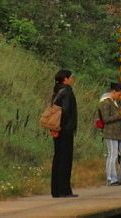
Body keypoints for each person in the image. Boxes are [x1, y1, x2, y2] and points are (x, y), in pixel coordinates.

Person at [98, 82, 121, 186]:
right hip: (110, 132)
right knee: (112, 155)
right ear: (113, 92)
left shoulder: (116, 102)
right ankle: (111, 179)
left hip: (120, 132)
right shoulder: (105, 102)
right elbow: (106, 119)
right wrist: (120, 114)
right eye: (119, 94)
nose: (120, 97)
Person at [49, 69, 78, 198]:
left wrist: (55, 127)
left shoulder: (57, 90)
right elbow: (65, 111)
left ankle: (55, 189)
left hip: (57, 129)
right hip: (65, 129)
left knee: (58, 158)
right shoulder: (67, 91)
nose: (72, 79)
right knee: (65, 160)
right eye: (71, 77)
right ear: (65, 79)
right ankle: (64, 190)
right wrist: (64, 126)